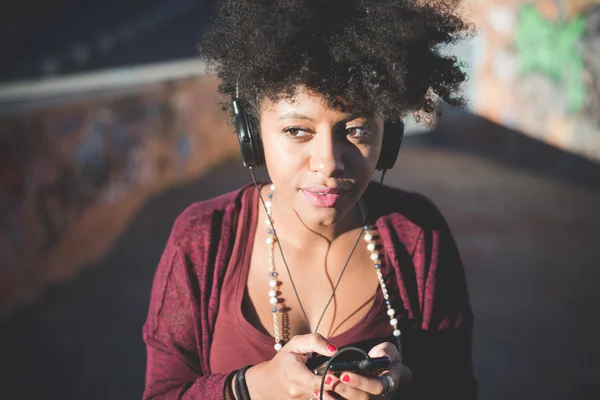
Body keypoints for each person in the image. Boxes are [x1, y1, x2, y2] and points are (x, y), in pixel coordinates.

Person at [142, 0, 477, 399]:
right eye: (298, 131)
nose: (329, 163)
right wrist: (251, 387)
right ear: (252, 135)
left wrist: (402, 383)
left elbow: (457, 388)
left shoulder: (418, 234)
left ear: (389, 136)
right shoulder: (202, 239)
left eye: (356, 130)